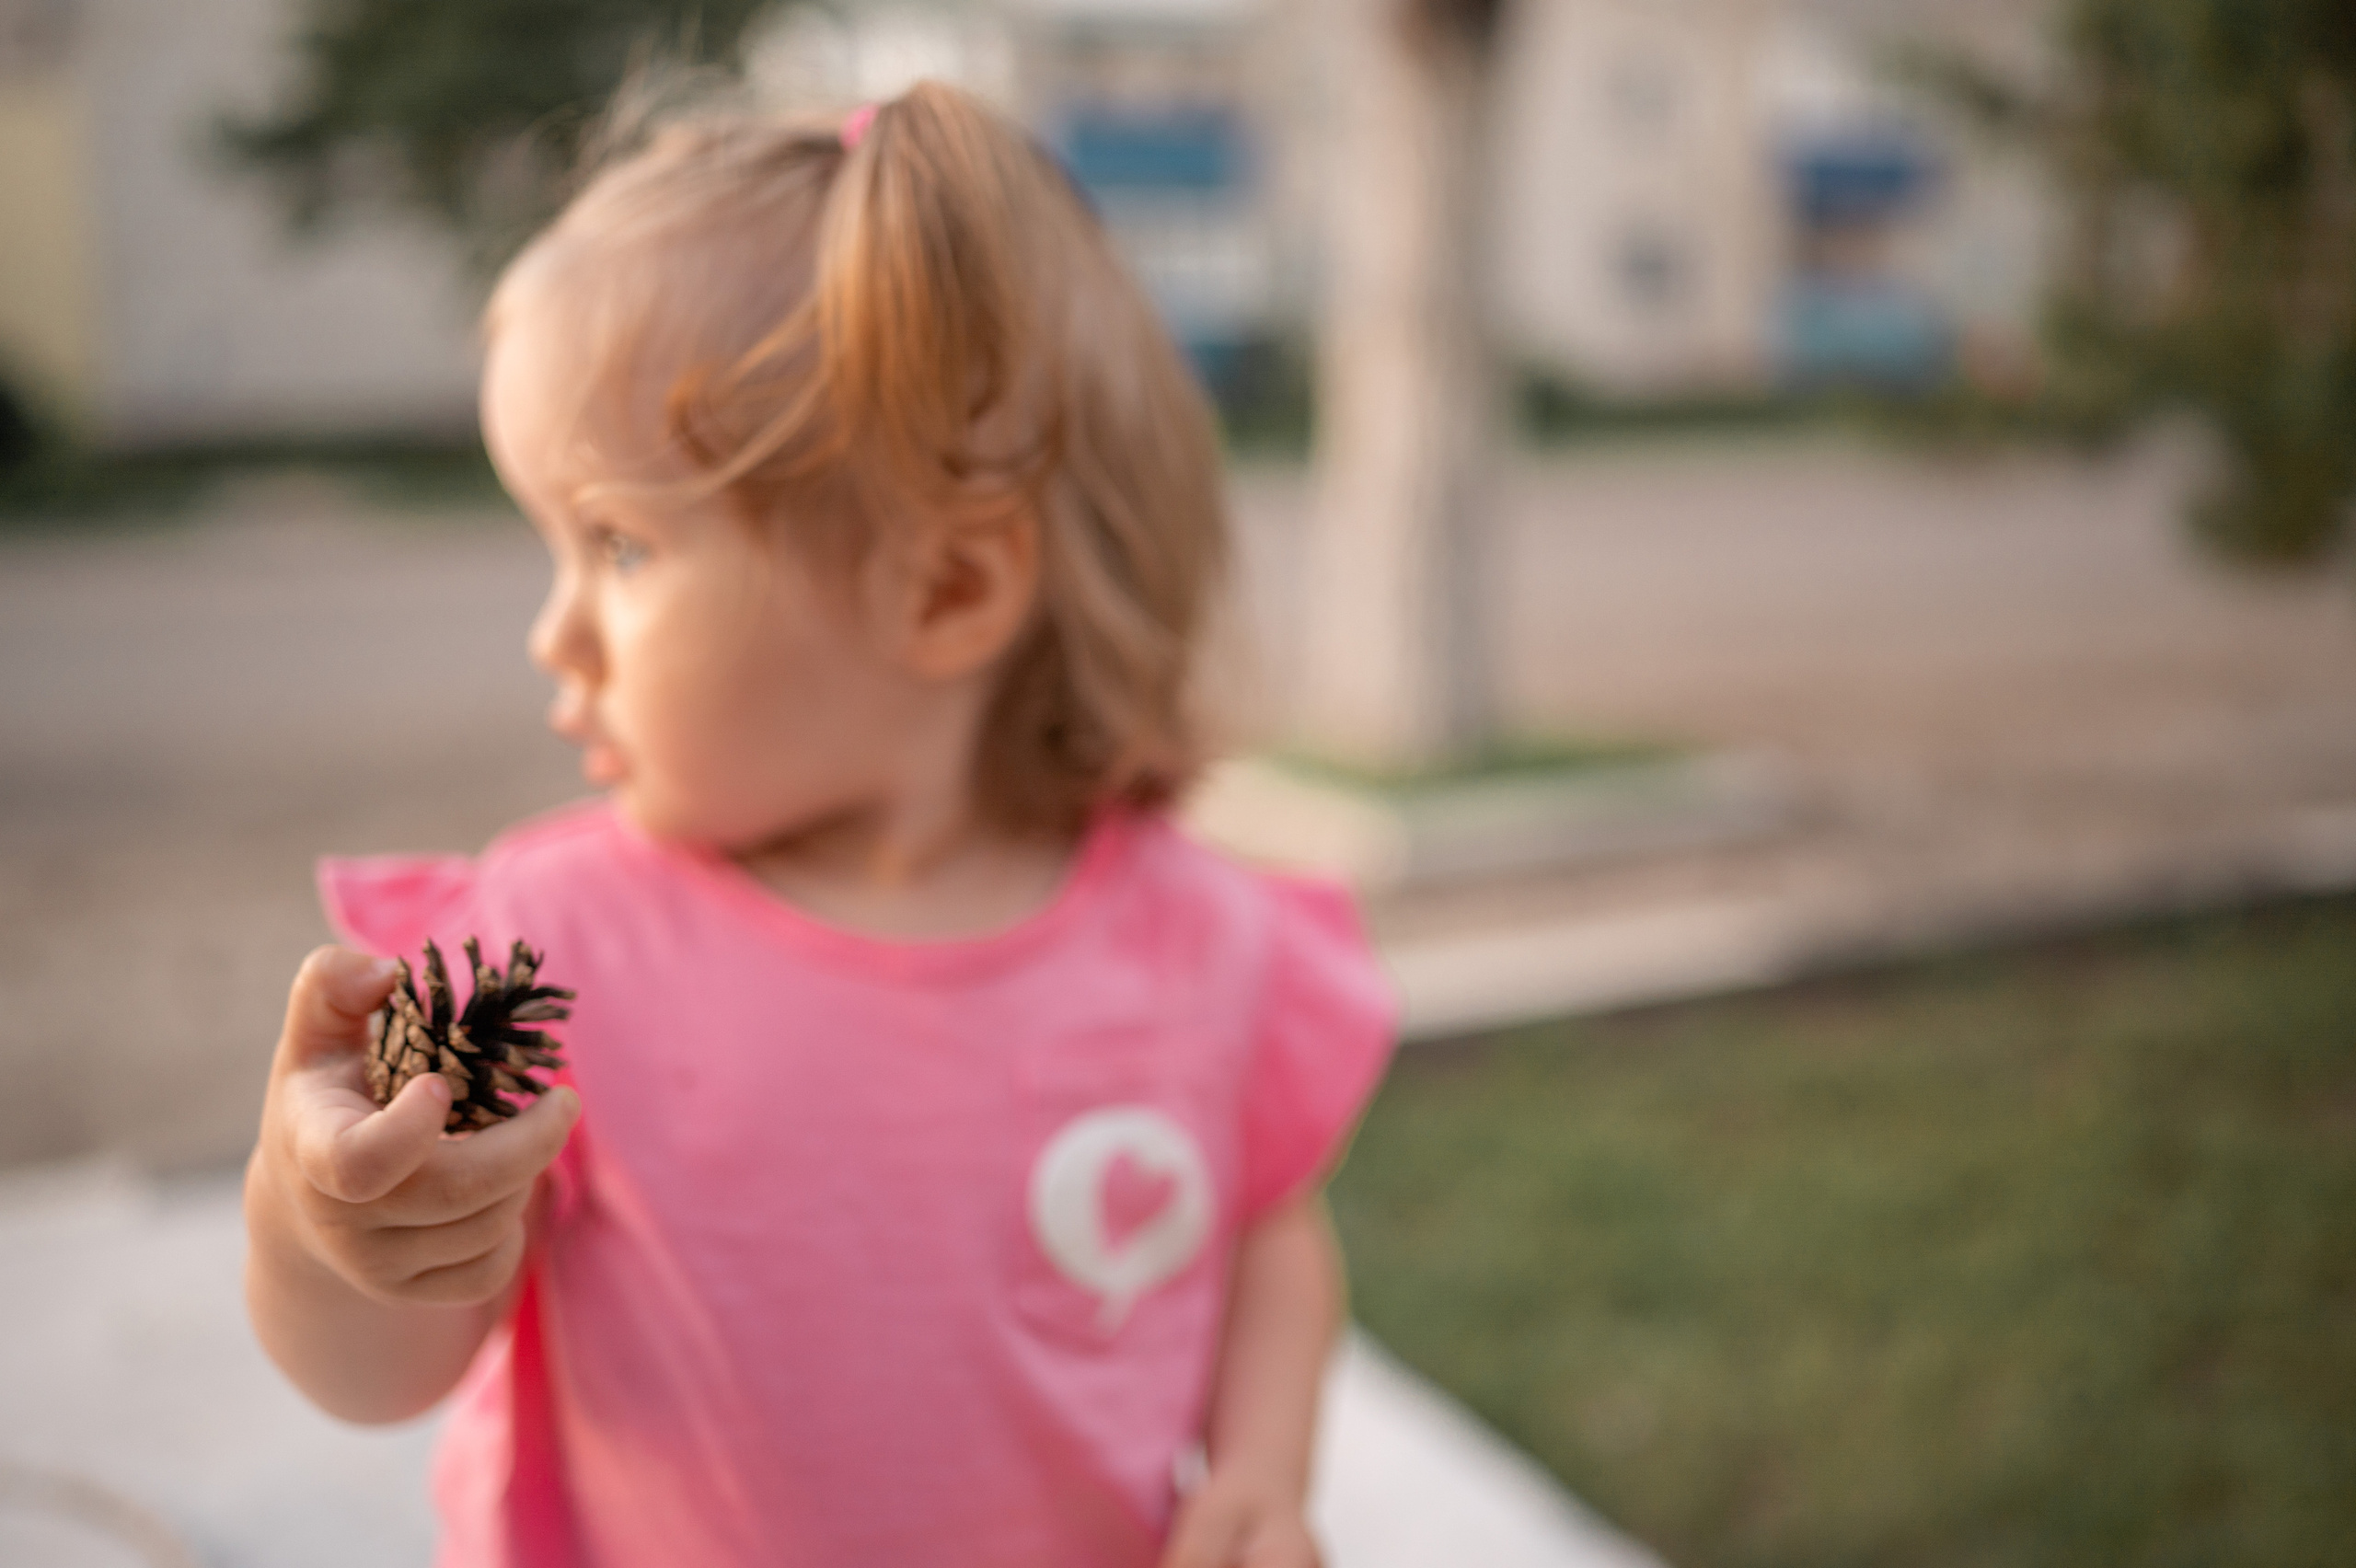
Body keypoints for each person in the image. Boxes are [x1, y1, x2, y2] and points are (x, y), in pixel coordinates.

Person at [241, 79, 1397, 1568]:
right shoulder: (553, 948)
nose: (554, 636)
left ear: (945, 592)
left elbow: (1261, 1234)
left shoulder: (1202, 941)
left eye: (618, 546)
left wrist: (1259, 1471)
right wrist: (333, 1226)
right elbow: (378, 1374)